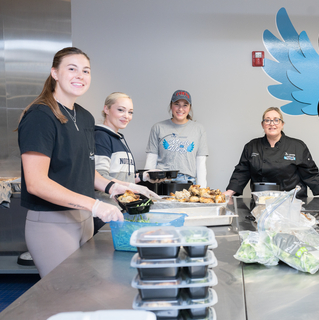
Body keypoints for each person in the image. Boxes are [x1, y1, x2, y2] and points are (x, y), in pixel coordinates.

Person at [17, 47, 155, 277]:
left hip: (83, 217)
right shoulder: (40, 116)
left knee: (84, 291)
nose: (80, 76)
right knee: (63, 295)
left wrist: (115, 187)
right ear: (55, 73)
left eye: (85, 71)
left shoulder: (84, 116)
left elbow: (84, 169)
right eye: (72, 69)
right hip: (53, 220)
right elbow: (36, 183)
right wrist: (95, 205)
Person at [224, 107, 319, 199]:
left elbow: (310, 173)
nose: (272, 124)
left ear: (282, 124)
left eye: (276, 120)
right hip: (262, 202)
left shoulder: (297, 146)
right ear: (263, 125)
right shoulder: (252, 146)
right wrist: (230, 192)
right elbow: (241, 172)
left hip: (292, 202)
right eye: (267, 120)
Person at [94, 92, 160, 234]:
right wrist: (131, 186)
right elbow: (99, 177)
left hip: (120, 212)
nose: (126, 116)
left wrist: (144, 177)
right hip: (106, 214)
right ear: (106, 109)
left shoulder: (118, 139)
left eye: (130, 112)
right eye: (120, 110)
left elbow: (121, 176)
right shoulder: (100, 137)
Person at [145, 90, 208, 187]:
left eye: (185, 105)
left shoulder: (198, 129)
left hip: (188, 183)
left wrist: (202, 189)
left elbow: (200, 163)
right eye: (177, 104)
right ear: (171, 106)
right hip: (161, 182)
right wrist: (147, 186)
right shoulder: (158, 127)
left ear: (190, 107)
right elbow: (151, 160)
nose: (180, 109)